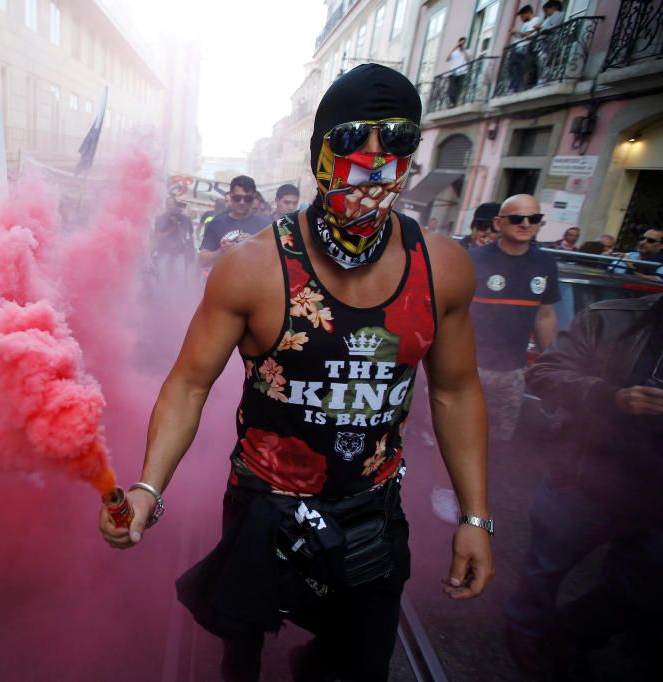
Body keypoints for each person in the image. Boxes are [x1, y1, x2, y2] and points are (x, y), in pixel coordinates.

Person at [100, 64, 494, 682]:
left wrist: (475, 516)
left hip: (372, 509)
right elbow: (190, 382)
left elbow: (455, 388)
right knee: (242, 656)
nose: (372, 160)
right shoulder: (252, 267)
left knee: (358, 664)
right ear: (319, 154)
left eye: (395, 140)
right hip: (265, 506)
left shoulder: (442, 266)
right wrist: (150, 486)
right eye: (352, 139)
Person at [503, 292, 663, 676]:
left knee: (641, 582)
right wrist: (613, 398)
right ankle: (523, 628)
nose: (526, 224)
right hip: (585, 476)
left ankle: (569, 633)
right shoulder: (614, 316)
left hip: (656, 496)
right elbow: (543, 373)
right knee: (546, 565)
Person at [469, 195, 559, 445]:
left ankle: (487, 483)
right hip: (468, 367)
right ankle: (443, 484)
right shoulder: (474, 259)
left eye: (534, 218)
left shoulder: (545, 263)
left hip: (513, 372)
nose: (526, 223)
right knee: (458, 431)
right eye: (518, 218)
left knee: (498, 438)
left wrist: (550, 362)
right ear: (499, 223)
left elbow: (545, 314)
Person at [198, 176, 271, 269]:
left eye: (247, 198)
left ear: (253, 198)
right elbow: (202, 261)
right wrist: (221, 252)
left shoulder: (266, 225)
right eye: (237, 198)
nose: (242, 202)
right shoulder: (216, 223)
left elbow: (275, 260)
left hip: (255, 282)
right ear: (231, 197)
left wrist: (255, 245)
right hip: (224, 281)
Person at [153, 196, 195, 281]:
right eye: (168, 205)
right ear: (165, 205)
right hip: (164, 252)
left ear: (175, 206)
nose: (170, 207)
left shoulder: (185, 219)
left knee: (178, 279)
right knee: (162, 278)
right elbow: (157, 236)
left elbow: (188, 237)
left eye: (172, 205)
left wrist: (178, 225)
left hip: (179, 253)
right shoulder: (160, 218)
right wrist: (172, 229)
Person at [508, 5, 541, 92]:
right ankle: (513, 86)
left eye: (522, 16)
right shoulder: (526, 24)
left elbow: (528, 34)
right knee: (512, 67)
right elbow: (521, 36)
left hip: (527, 47)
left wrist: (517, 31)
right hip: (519, 47)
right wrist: (515, 34)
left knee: (521, 67)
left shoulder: (536, 20)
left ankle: (517, 87)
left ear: (528, 13)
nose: (521, 18)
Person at [446, 37, 470, 107]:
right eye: (460, 43)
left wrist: (464, 50)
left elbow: (468, 60)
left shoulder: (467, 51)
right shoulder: (454, 53)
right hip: (453, 72)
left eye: (463, 43)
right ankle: (452, 102)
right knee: (451, 89)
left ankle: (454, 103)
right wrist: (454, 48)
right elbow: (447, 59)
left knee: (459, 88)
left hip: (462, 72)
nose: (461, 44)